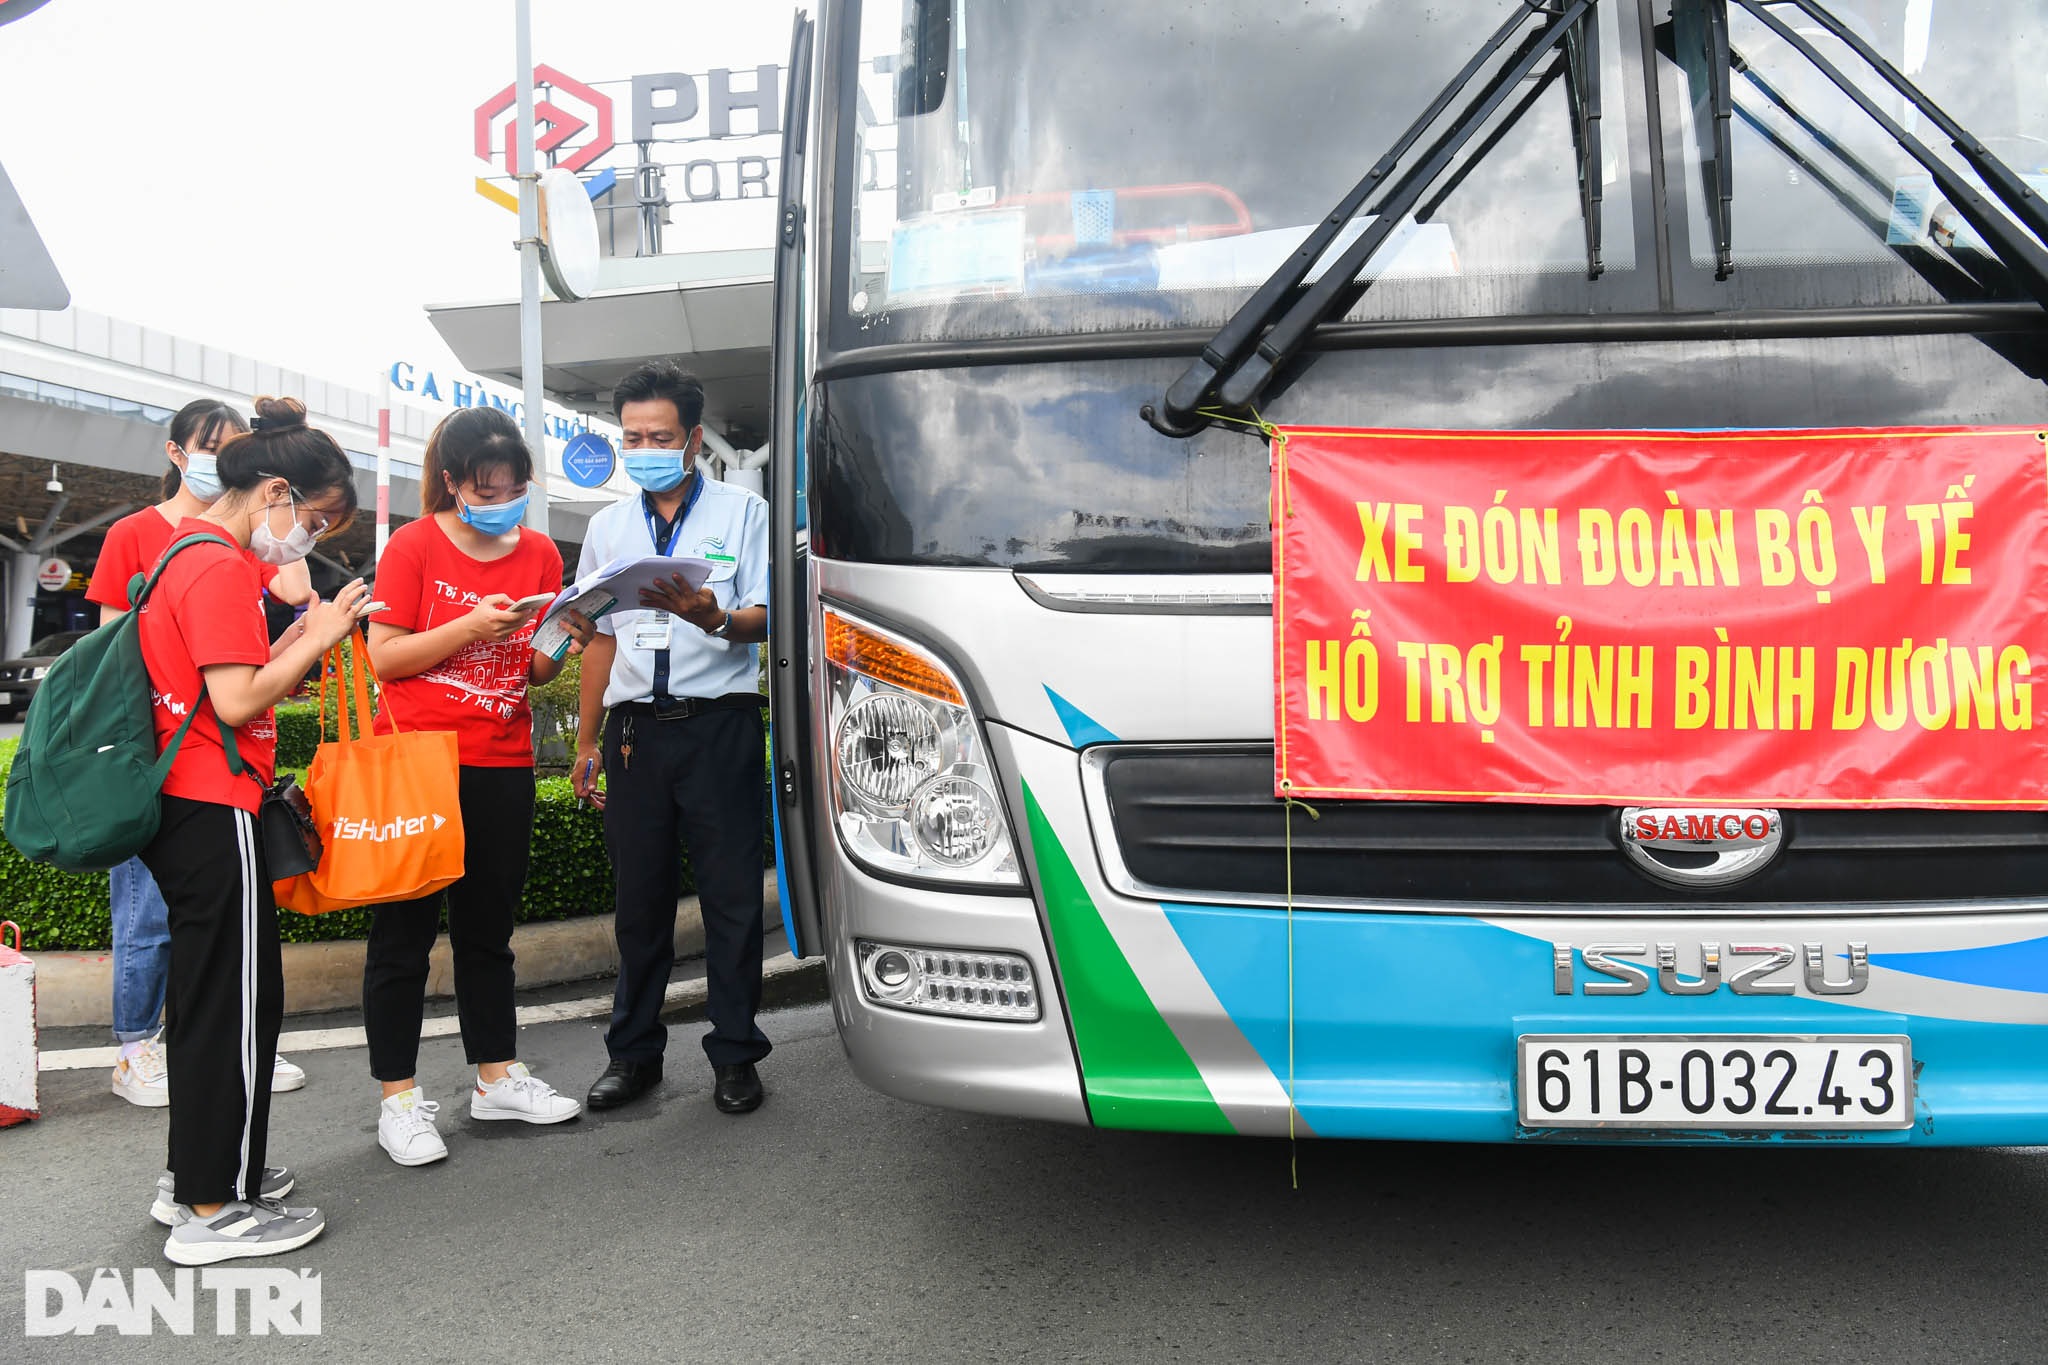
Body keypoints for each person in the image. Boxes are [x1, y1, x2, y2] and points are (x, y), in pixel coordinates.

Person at [138, 395, 367, 1264]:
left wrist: (299, 634)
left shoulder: (187, 553)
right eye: (311, 518)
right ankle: (209, 1208)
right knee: (231, 1005)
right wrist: (322, 632)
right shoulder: (221, 566)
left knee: (222, 998)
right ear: (273, 489)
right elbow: (236, 699)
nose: (306, 537)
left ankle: (206, 1176)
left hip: (193, 802)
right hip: (212, 799)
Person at [361, 406, 594, 1166]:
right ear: (455, 482)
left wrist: (566, 636)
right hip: (417, 762)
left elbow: (532, 671)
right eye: (488, 487)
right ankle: (398, 1097)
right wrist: (469, 628)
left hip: (500, 761)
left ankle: (496, 1075)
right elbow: (384, 657)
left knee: (488, 932)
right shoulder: (413, 544)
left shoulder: (538, 555)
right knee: (401, 938)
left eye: (516, 486)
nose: (504, 500)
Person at [88, 398, 314, 1108]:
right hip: (163, 755)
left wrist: (284, 515)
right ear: (177, 453)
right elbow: (113, 653)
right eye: (210, 445)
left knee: (204, 930)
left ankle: (227, 1048)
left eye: (236, 445)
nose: (224, 456)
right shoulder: (140, 534)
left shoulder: (238, 539)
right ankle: (135, 1049)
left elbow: (296, 591)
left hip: (214, 753)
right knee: (147, 913)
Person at [571, 360, 771, 1115]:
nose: (643, 446)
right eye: (631, 435)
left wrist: (712, 617)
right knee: (639, 902)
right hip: (634, 736)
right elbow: (596, 636)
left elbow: (764, 615)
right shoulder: (607, 527)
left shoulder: (740, 512)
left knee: (729, 900)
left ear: (692, 438)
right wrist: (586, 741)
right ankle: (633, 1055)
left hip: (718, 725)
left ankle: (735, 1056)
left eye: (658, 435)